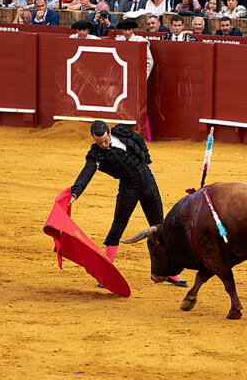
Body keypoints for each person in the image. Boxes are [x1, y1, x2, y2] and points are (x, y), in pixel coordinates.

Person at [70, 120, 187, 287]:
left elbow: (140, 140)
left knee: (160, 227)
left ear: (109, 133)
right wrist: (75, 192)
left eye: (105, 140)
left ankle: (171, 273)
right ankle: (106, 271)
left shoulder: (121, 133)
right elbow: (86, 173)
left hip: (148, 183)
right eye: (99, 142)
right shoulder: (97, 154)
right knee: (117, 226)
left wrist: (147, 162)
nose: (103, 144)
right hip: (129, 188)